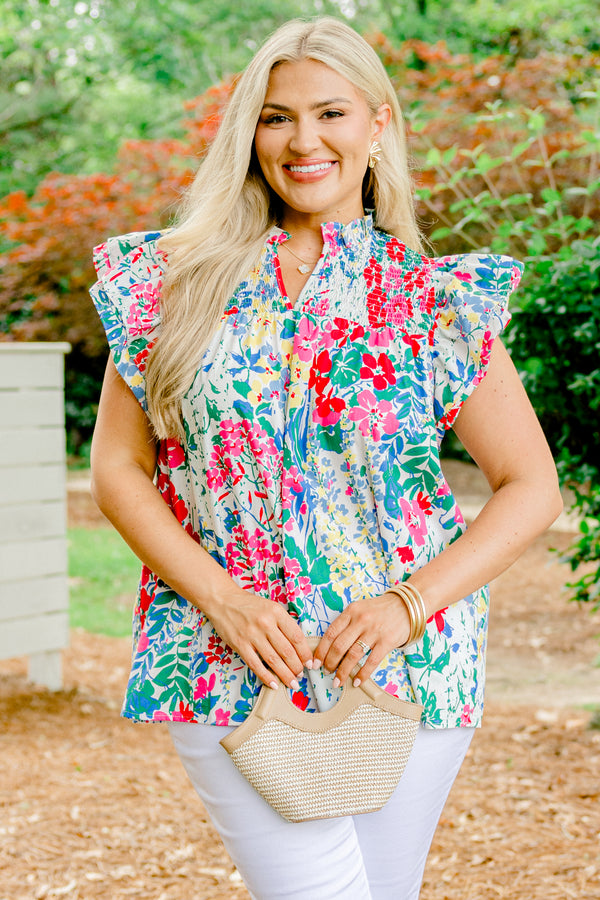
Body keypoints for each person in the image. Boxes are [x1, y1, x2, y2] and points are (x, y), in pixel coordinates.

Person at [89, 16, 562, 900]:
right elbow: (117, 470)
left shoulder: (432, 300)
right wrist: (224, 600)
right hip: (223, 659)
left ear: (378, 125)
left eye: (330, 112)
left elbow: (531, 486)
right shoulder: (170, 282)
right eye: (276, 118)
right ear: (249, 133)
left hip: (408, 669)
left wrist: (408, 604)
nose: (304, 141)